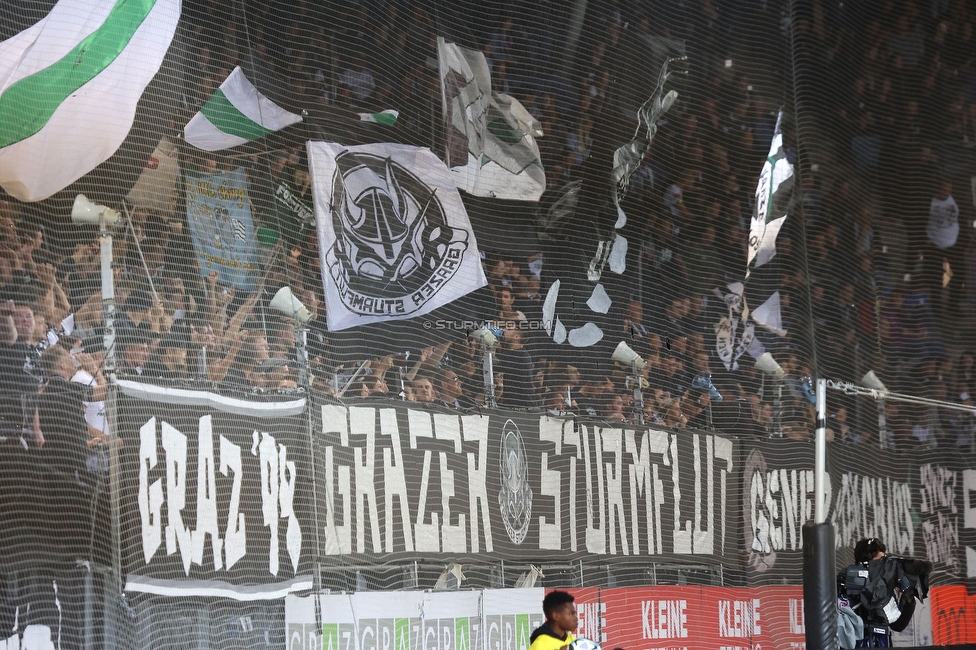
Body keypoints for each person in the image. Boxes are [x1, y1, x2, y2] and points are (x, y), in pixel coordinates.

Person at [838, 537, 931, 647]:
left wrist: (909, 599)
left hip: (881, 642)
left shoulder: (884, 590)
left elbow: (898, 625)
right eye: (880, 560)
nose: (885, 564)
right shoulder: (844, 581)